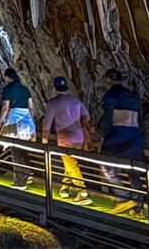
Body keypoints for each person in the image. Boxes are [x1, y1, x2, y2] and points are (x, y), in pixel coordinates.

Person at [99, 69, 146, 217]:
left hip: (118, 135)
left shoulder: (111, 94)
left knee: (106, 167)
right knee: (133, 171)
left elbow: (108, 117)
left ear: (107, 80)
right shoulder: (133, 96)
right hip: (135, 136)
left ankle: (124, 197)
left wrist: (102, 132)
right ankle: (138, 207)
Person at [41, 77, 93, 206]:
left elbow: (47, 123)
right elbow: (87, 117)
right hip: (79, 136)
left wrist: (44, 139)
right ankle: (64, 188)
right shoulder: (76, 100)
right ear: (67, 87)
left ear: (55, 88)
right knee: (70, 164)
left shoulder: (53, 103)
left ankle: (83, 193)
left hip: (65, 138)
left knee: (70, 164)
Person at [0, 68, 36, 189]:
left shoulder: (8, 89)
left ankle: (20, 182)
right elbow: (31, 107)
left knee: (15, 151)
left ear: (7, 77)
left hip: (14, 121)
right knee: (23, 150)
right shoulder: (25, 89)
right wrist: (31, 122)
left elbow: (5, 108)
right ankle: (27, 174)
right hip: (27, 121)